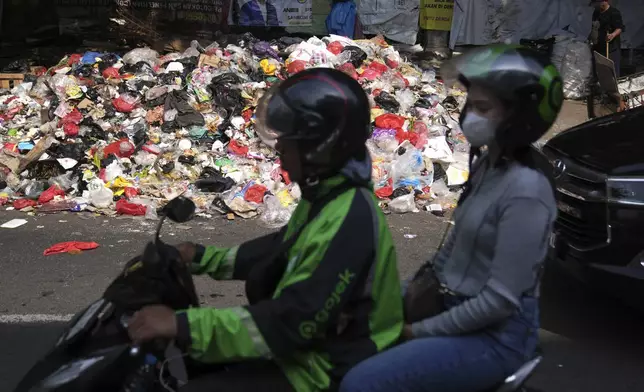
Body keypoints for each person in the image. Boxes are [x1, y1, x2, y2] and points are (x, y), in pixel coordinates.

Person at [127, 68, 404, 392]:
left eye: (287, 146)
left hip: (326, 368)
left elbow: (292, 322)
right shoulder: (328, 197)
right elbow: (279, 249)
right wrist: (200, 257)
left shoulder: (351, 217)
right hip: (306, 351)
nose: (281, 158)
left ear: (320, 148)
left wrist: (181, 324)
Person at [339, 45, 564, 392]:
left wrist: (415, 330)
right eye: (469, 104)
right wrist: (410, 292)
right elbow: (452, 248)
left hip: (494, 337)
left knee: (361, 384)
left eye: (483, 107)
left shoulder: (527, 190)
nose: (470, 115)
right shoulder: (489, 165)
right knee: (343, 310)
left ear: (519, 117)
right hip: (449, 300)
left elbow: (499, 302)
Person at [591, 0, 625, 77]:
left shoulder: (614, 12)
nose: (596, 5)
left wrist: (612, 35)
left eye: (597, 3)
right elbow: (594, 27)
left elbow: (619, 28)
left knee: (612, 72)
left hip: (611, 48)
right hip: (598, 47)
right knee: (600, 71)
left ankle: (613, 88)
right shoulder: (596, 12)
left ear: (604, 2)